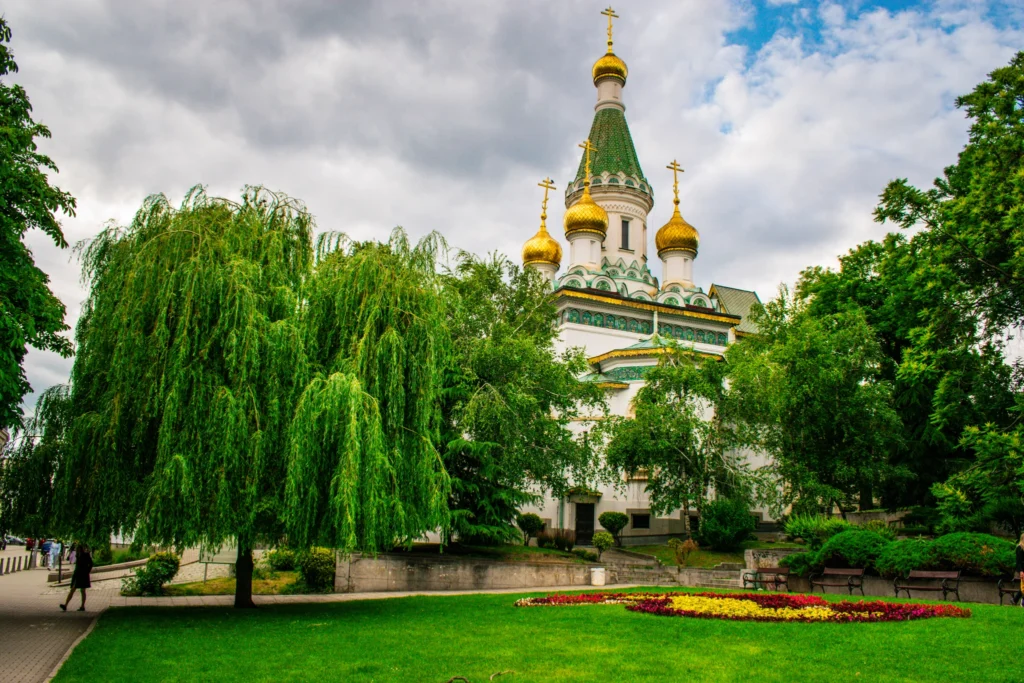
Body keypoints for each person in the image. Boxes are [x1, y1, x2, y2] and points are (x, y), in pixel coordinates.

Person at [60, 544, 93, 612]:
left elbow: (91, 564)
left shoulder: (85, 555)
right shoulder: (78, 556)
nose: (77, 550)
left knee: (82, 590)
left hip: (83, 574)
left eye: (78, 549)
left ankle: (82, 606)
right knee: (74, 589)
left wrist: (87, 571)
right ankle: (66, 605)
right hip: (77, 574)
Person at [1016, 532, 1024, 607]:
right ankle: (1020, 600)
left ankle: (1015, 599)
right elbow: (1019, 561)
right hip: (1023, 570)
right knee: (1023, 588)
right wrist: (1021, 571)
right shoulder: (1019, 548)